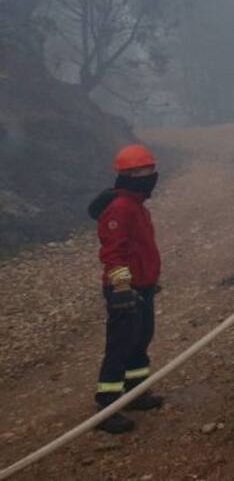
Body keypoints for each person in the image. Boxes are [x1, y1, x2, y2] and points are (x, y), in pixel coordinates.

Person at [87, 144, 164, 434]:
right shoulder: (120, 207)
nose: (153, 174)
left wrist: (148, 280)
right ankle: (107, 406)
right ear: (131, 173)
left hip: (141, 287)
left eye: (152, 168)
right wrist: (122, 287)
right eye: (147, 169)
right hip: (125, 290)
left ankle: (135, 392)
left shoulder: (136, 205)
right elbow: (113, 253)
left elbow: (139, 250)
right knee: (120, 345)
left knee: (141, 339)